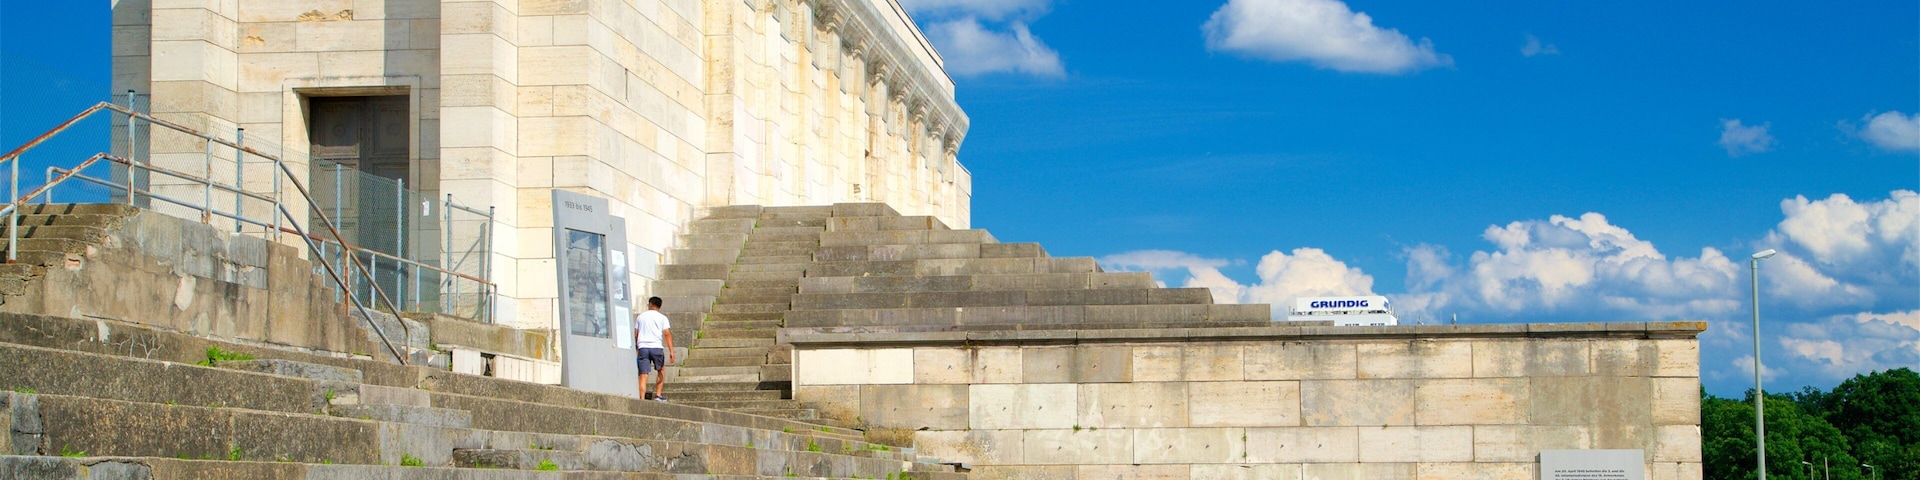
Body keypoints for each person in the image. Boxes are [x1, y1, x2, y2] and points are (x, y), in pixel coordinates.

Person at [633, 296, 674, 401]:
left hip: (643, 347)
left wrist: (636, 348)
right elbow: (667, 334)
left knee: (643, 374)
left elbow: (636, 334)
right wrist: (671, 351)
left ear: (650, 304)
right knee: (660, 370)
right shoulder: (662, 318)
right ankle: (658, 395)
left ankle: (642, 398)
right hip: (656, 347)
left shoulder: (640, 317)